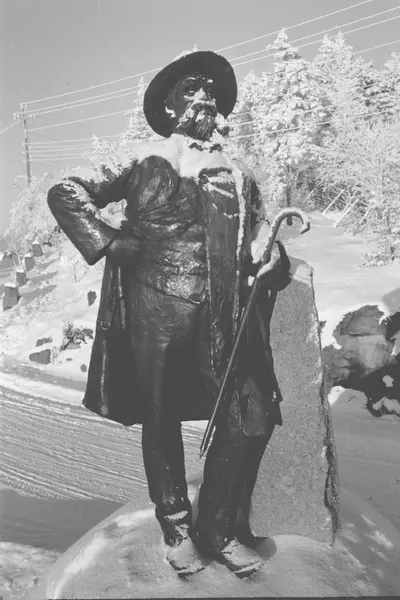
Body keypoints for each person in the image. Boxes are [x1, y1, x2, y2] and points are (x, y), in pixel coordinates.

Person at [47, 50, 289, 579]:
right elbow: (66, 192)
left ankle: (218, 527)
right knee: (161, 419)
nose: (203, 98)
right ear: (169, 106)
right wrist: (108, 240)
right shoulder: (143, 160)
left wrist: (272, 258)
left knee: (248, 415)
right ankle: (177, 527)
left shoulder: (239, 175)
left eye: (210, 91)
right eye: (190, 89)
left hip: (223, 318)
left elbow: (260, 240)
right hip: (157, 314)